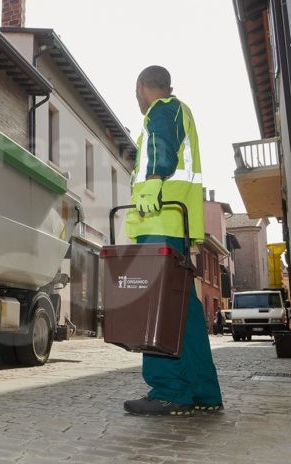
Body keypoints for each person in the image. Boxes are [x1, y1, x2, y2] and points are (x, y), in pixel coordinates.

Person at [122, 65, 223, 416]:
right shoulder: (181, 112)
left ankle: (169, 390)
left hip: (160, 218)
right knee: (185, 313)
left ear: (141, 87)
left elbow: (161, 146)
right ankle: (203, 391)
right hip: (175, 223)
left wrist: (152, 182)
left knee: (158, 307)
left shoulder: (162, 110)